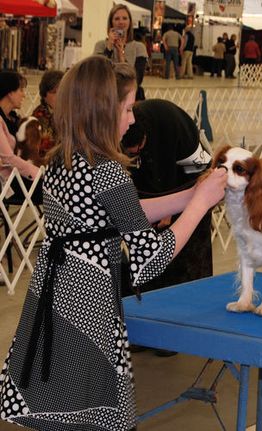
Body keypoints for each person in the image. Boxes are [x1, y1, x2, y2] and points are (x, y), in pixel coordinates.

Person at [0, 56, 227, 431]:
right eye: (126, 108)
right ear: (103, 111)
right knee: (89, 415)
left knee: (58, 411)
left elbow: (116, 212)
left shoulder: (64, 159)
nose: (133, 118)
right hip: (88, 306)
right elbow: (149, 260)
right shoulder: (107, 172)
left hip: (54, 293)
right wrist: (199, 205)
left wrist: (187, 196)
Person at [121, 99, 212, 295]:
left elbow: (197, 175)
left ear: (145, 135)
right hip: (154, 197)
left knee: (189, 267)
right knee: (153, 267)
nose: (135, 154)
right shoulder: (124, 129)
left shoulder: (173, 125)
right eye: (130, 153)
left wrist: (170, 208)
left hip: (191, 187)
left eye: (138, 148)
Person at [94, 4, 147, 99]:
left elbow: (137, 80)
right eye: (117, 18)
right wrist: (109, 47)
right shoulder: (100, 45)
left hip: (131, 99)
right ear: (111, 22)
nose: (121, 22)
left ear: (130, 22)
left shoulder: (139, 47)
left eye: (125, 18)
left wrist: (121, 55)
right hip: (105, 96)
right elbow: (98, 73)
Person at [0, 70, 40, 185]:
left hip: (21, 174)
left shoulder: (14, 118)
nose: (24, 95)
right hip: (8, 181)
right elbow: (8, 158)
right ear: (10, 92)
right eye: (21, 90)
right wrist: (39, 173)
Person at [32, 69, 64, 154]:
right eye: (54, 92)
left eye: (62, 91)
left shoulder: (70, 112)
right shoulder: (39, 116)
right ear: (44, 95)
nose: (59, 96)